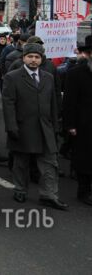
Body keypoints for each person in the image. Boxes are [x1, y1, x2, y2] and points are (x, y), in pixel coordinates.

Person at [2, 42, 67, 210]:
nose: (33, 60)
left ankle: (49, 195)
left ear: (42, 59)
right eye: (30, 56)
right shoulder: (13, 77)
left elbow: (52, 103)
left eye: (37, 57)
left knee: (50, 164)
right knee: (21, 162)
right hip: (23, 127)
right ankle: (20, 190)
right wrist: (11, 126)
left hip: (45, 128)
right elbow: (8, 103)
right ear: (23, 58)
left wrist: (55, 125)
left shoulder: (48, 77)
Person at [63, 35, 92, 206]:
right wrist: (70, 124)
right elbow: (69, 102)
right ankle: (84, 190)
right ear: (88, 54)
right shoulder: (75, 74)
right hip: (84, 124)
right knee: (85, 159)